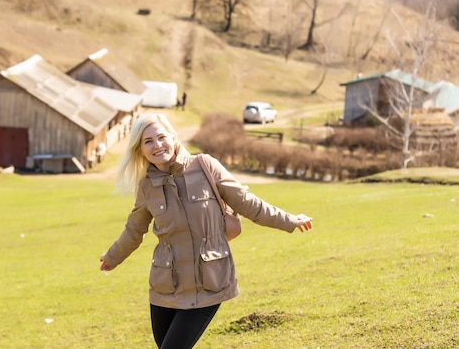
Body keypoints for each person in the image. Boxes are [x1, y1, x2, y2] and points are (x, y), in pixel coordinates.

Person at [99, 113, 312, 349]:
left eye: (161, 137)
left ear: (173, 136)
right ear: (140, 149)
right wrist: (112, 257)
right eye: (148, 141)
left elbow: (247, 203)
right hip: (165, 286)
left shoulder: (205, 166)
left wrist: (289, 220)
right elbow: (134, 230)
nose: (157, 145)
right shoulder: (147, 186)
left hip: (209, 283)